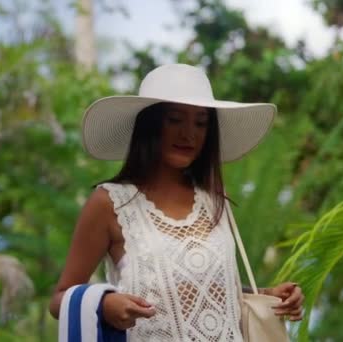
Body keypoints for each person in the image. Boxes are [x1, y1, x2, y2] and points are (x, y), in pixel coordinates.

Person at [48, 64, 304, 341]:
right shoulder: (110, 203)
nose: (189, 134)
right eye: (174, 119)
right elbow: (60, 299)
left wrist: (268, 295)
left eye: (201, 122)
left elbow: (208, 289)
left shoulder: (215, 200)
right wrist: (104, 305)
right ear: (149, 124)